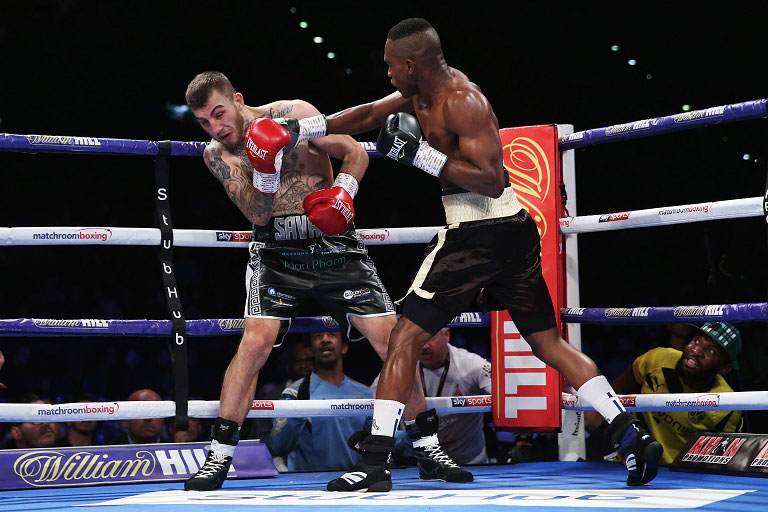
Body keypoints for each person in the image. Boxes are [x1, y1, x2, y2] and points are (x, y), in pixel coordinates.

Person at [275, 18, 662, 491]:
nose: (388, 74)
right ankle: (631, 435)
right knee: (547, 344)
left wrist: (421, 157)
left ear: (412, 64)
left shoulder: (463, 101)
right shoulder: (420, 93)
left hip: (480, 230)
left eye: (391, 66)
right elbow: (368, 114)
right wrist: (296, 129)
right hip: (513, 232)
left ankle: (374, 463)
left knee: (402, 340)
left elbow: (493, 178)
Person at [182, 71, 441, 491]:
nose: (216, 128)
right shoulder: (217, 155)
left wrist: (344, 192)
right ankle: (219, 458)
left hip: (334, 243)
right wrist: (264, 172)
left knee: (393, 339)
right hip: (277, 251)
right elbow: (258, 215)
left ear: (238, 99)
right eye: (203, 122)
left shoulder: (295, 115)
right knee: (254, 343)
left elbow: (354, 151)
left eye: (219, 114)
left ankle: (427, 446)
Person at [586, 322, 744, 464]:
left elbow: (723, 457)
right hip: (627, 461)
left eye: (710, 350)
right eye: (697, 341)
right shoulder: (657, 359)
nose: (696, 350)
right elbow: (618, 390)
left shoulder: (727, 405)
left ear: (725, 368)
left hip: (679, 477)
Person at [375, 328, 492, 465]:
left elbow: (505, 392)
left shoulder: (472, 365)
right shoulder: (398, 369)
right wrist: (397, 438)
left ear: (446, 335)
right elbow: (372, 410)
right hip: (417, 467)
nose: (425, 346)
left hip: (472, 464)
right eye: (418, 338)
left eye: (430, 337)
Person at [270, 331, 373, 471]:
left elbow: (375, 443)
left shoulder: (365, 394)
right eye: (318, 336)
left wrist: (407, 437)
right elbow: (278, 447)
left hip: (354, 481)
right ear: (310, 350)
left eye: (332, 335)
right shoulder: (294, 392)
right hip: (307, 485)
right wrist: (298, 412)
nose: (325, 340)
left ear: (344, 347)